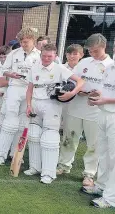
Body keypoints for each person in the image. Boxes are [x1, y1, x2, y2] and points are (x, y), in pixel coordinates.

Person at [58, 34, 113, 187]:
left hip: (95, 110)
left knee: (93, 144)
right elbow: (75, 79)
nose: (92, 54)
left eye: (95, 51)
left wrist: (99, 94)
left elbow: (110, 89)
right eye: (90, 51)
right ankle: (64, 165)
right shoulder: (84, 62)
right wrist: (77, 90)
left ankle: (89, 173)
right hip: (76, 106)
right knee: (69, 138)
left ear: (103, 47)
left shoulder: (111, 65)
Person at [24, 44, 84, 184]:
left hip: (52, 105)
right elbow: (29, 89)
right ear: (41, 55)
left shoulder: (60, 68)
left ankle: (48, 174)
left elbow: (80, 81)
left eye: (49, 56)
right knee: (33, 135)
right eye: (44, 56)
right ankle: (35, 167)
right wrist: (28, 105)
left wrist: (72, 92)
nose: (46, 58)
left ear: (55, 56)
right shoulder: (35, 68)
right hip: (35, 104)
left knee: (49, 138)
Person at [0, 28, 41, 165]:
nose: (23, 44)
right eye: (21, 42)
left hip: (29, 89)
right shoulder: (14, 53)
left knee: (23, 123)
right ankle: (0, 154)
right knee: (10, 121)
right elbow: (4, 70)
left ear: (33, 40)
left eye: (26, 42)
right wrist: (11, 75)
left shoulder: (39, 55)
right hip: (14, 88)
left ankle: (16, 154)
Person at [83, 60, 115, 208]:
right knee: (103, 153)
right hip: (103, 113)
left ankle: (110, 198)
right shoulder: (109, 67)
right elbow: (105, 88)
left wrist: (105, 100)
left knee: (113, 157)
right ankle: (101, 186)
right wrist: (96, 96)